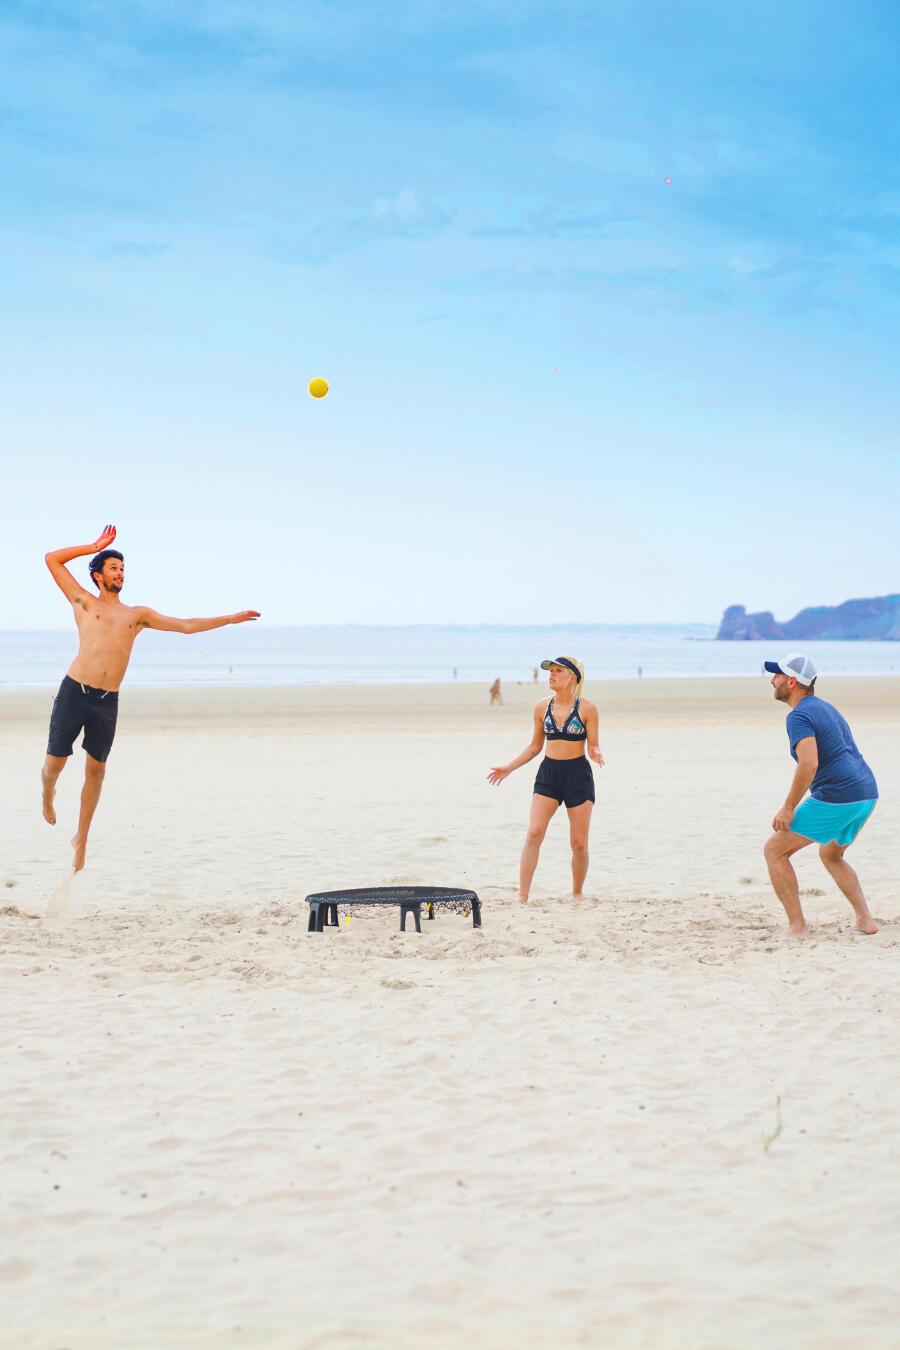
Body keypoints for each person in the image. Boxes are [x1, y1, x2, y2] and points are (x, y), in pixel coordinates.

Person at [42, 524, 260, 871]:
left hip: (106, 701)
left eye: (123, 569)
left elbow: (186, 625)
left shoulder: (136, 615)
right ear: (98, 575)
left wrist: (230, 619)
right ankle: (47, 795)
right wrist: (95, 545)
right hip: (74, 692)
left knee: (96, 772)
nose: (121, 573)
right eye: (114, 568)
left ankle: (81, 838)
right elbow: (52, 559)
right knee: (54, 765)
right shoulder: (82, 600)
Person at [763, 653, 878, 938]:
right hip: (866, 792)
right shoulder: (825, 708)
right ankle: (866, 921)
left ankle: (798, 928)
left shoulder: (799, 715)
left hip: (840, 796)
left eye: (777, 675)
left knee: (775, 851)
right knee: (831, 854)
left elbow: (809, 763)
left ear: (791, 682)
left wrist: (789, 807)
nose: (772, 680)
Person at [488, 657, 604, 902]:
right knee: (534, 832)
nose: (551, 675)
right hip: (549, 775)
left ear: (572, 677)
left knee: (579, 844)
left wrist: (596, 753)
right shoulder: (542, 707)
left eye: (557, 671)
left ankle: (577, 893)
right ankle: (522, 895)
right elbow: (534, 746)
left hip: (578, 776)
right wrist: (509, 768)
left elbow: (593, 745)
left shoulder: (588, 709)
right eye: (550, 671)